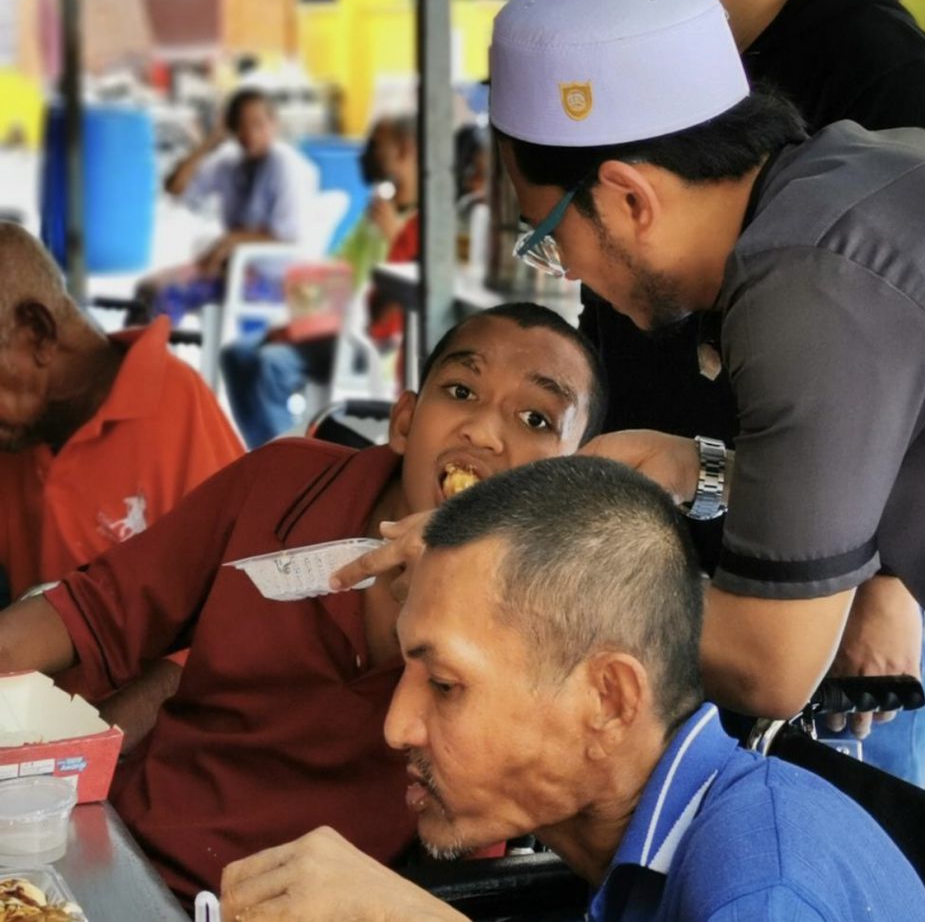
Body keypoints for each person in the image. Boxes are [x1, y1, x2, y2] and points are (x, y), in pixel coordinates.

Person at [489, 0, 925, 808]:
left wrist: (512, 582)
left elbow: (770, 662)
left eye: (549, 237)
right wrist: (695, 466)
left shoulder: (803, 280)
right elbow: (897, 454)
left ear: (627, 197)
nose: (568, 271)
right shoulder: (859, 177)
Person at [0, 302, 606, 900]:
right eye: (461, 390)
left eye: (535, 419)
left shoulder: (547, 620)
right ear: (405, 422)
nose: (484, 431)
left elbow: (483, 827)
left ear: (567, 484)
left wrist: (464, 596)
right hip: (119, 856)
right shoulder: (283, 482)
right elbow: (93, 610)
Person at [220, 456, 925, 921]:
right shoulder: (649, 851)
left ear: (609, 700)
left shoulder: (765, 883)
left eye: (443, 683)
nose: (397, 726)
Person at [595, 0, 925, 783]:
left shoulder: (880, 87)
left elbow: (922, 370)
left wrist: (887, 587)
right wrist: (685, 468)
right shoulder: (722, 81)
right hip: (751, 535)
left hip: (847, 577)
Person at [0, 222, 243, 747]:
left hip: (156, 750)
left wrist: (91, 741)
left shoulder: (175, 408)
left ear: (38, 333)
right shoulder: (18, 438)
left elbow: (237, 627)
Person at [219, 114, 419, 448]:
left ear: (404, 149)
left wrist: (393, 235)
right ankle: (270, 452)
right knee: (237, 354)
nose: (365, 154)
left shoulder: (420, 221)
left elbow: (404, 297)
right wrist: (298, 321)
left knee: (271, 364)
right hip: (329, 327)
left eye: (375, 145)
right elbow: (338, 269)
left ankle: (290, 461)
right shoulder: (376, 211)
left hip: (374, 339)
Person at [132, 87, 316, 325]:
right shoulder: (230, 161)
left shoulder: (286, 165)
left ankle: (152, 360)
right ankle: (134, 361)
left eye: (258, 124)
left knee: (167, 294)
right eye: (241, 125)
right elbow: (175, 187)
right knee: (146, 288)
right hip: (231, 269)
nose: (250, 133)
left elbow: (287, 235)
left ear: (274, 123)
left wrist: (231, 241)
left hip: (274, 278)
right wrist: (209, 142)